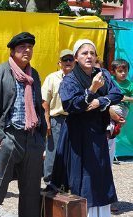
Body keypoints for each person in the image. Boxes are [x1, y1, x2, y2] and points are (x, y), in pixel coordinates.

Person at [51, 39, 123, 217]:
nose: (89, 56)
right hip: (77, 135)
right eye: (84, 53)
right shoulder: (70, 80)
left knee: (98, 178)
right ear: (76, 58)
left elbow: (117, 92)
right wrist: (91, 90)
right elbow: (70, 105)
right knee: (82, 178)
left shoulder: (104, 74)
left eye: (92, 52)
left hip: (97, 133)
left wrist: (100, 101)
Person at [0, 32, 47, 217]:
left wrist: (41, 138)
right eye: (22, 47)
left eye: (30, 47)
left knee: (31, 193)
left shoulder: (33, 74)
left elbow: (38, 105)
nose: (27, 51)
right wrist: (0, 140)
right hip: (8, 138)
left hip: (32, 139)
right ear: (12, 50)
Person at [41, 49, 75, 184]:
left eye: (70, 59)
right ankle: (49, 182)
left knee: (73, 152)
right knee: (53, 152)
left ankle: (68, 182)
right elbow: (45, 101)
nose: (68, 62)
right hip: (57, 119)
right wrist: (47, 121)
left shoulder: (80, 78)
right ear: (59, 63)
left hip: (75, 119)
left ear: (75, 62)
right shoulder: (52, 78)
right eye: (64, 60)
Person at [107, 59, 133, 138]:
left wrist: (126, 98)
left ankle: (111, 129)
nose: (123, 73)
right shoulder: (110, 80)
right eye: (120, 71)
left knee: (106, 109)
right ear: (113, 72)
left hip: (122, 107)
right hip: (112, 104)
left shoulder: (129, 84)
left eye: (125, 71)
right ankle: (114, 128)